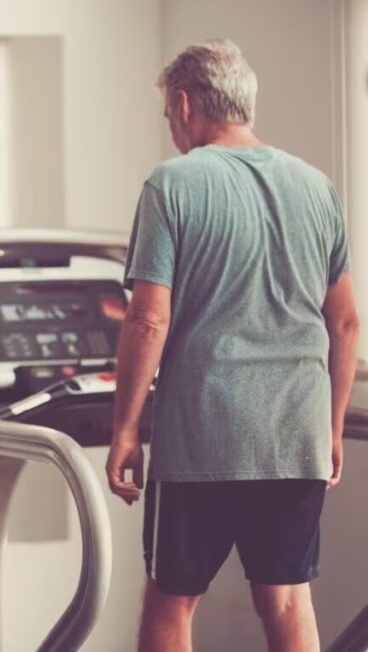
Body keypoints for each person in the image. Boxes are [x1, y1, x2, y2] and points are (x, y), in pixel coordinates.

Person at [106, 39, 360, 651]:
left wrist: (125, 430)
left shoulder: (172, 184)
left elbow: (147, 321)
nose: (172, 126)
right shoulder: (317, 186)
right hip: (294, 433)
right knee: (287, 596)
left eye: (170, 113)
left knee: (174, 597)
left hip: (202, 437)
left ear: (186, 104)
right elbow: (347, 322)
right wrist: (328, 427)